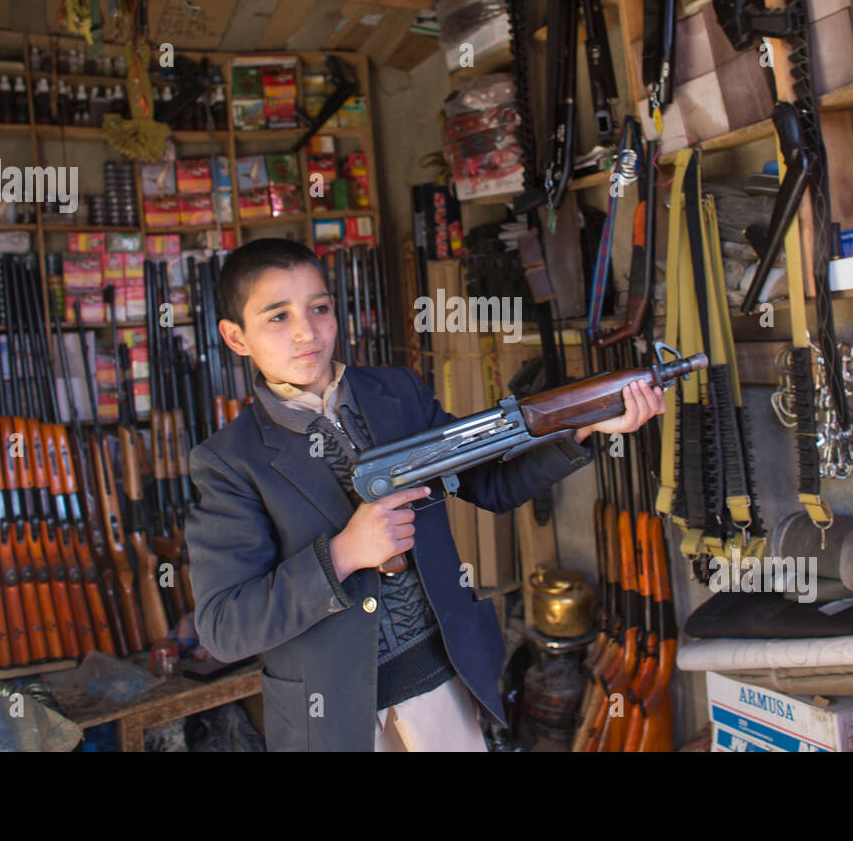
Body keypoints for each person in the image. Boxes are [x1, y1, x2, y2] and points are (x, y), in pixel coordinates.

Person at [185, 237, 665, 751]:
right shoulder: (230, 460)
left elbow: (492, 483)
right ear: (236, 338)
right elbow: (224, 626)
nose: (306, 331)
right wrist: (343, 555)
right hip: (330, 716)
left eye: (319, 308)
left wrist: (582, 427)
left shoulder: (396, 393)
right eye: (277, 317)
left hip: (443, 687)